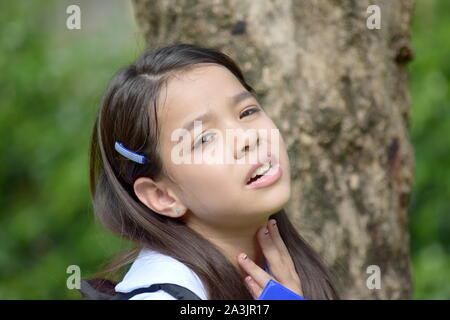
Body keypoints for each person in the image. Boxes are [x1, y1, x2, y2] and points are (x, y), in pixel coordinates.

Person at [88, 43, 340, 300]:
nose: (247, 139)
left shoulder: (281, 271)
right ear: (161, 196)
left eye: (247, 112)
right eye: (204, 139)